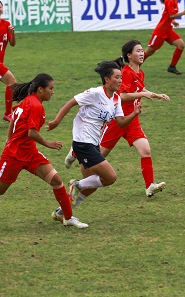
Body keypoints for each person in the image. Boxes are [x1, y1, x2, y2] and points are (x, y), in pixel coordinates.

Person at [0, 74, 88, 229]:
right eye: (51, 88)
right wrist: (48, 144)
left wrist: (8, 138)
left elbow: (14, 117)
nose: (53, 92)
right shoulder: (35, 105)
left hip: (30, 153)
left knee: (56, 180)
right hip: (15, 155)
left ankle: (68, 217)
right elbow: (31, 132)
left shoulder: (29, 101)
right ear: (40, 89)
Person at [64, 40, 170, 198]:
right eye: (138, 51)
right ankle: (75, 153)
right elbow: (122, 96)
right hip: (117, 121)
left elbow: (139, 89)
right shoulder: (125, 73)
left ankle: (150, 186)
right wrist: (142, 95)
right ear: (129, 55)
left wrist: (155, 95)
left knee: (145, 149)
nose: (142, 53)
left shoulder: (140, 73)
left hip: (132, 120)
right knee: (99, 155)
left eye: (142, 51)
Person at [46, 61, 141, 223]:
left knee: (92, 185)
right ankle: (75, 184)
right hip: (83, 142)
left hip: (93, 144)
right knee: (110, 177)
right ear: (106, 79)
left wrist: (135, 113)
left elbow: (121, 122)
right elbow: (71, 102)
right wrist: (56, 121)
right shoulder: (95, 93)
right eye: (117, 77)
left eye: (121, 77)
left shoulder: (116, 99)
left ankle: (62, 212)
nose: (120, 80)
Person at [143, 0, 185, 75]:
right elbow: (171, 15)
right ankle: (132, 66)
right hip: (161, 31)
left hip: (168, 30)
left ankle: (172, 67)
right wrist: (183, 13)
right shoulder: (169, 0)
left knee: (181, 45)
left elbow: (167, 15)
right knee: (150, 51)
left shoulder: (174, 0)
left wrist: (173, 22)